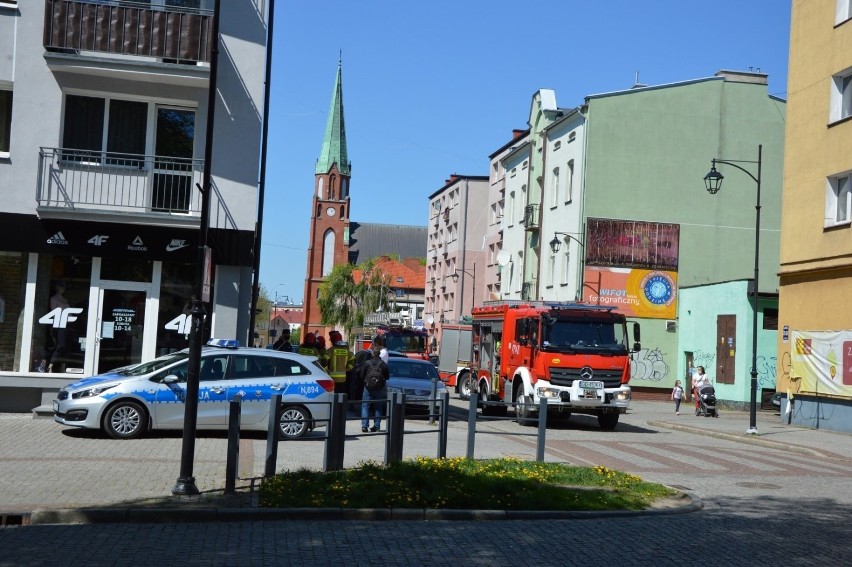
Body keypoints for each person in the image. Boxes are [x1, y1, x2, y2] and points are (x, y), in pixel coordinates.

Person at [360, 345, 388, 433]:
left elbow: (361, 375)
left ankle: (364, 426)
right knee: (378, 407)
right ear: (379, 354)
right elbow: (387, 377)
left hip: (368, 387)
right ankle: (376, 426)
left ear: (372, 353)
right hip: (379, 388)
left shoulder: (367, 363)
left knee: (365, 406)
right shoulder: (383, 364)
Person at [326, 330, 355, 394]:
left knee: (332, 395)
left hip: (331, 378)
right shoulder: (346, 351)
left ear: (333, 341)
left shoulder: (331, 350)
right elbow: (353, 358)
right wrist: (347, 369)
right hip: (343, 379)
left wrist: (326, 370)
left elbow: (324, 360)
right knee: (340, 396)